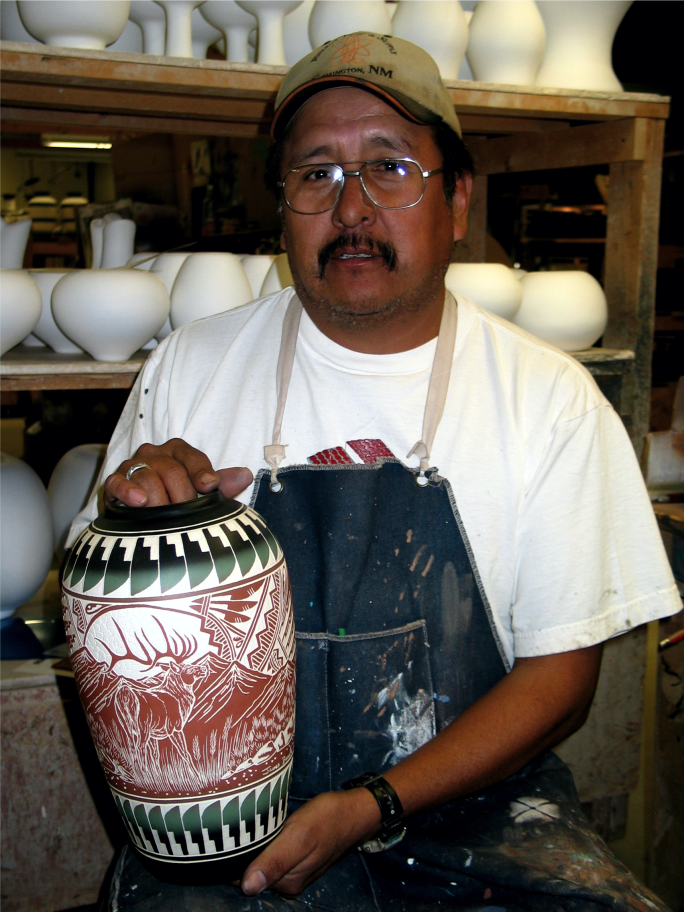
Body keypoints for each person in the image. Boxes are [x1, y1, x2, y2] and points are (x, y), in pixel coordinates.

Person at [71, 33, 680, 912]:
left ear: (459, 200)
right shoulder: (188, 370)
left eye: (390, 168)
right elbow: (110, 651)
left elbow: (560, 682)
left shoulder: (548, 399)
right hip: (238, 831)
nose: (350, 208)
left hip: (471, 815)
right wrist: (138, 527)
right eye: (316, 173)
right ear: (282, 206)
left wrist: (372, 806)